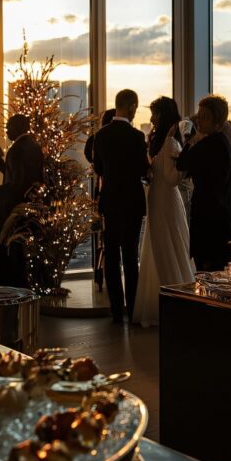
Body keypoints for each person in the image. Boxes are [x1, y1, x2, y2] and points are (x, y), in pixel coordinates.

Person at [132, 97, 194, 327]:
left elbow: (169, 180)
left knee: (161, 245)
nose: (151, 118)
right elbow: (173, 178)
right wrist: (184, 167)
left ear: (163, 115)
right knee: (167, 244)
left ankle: (168, 301)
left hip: (161, 199)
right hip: (163, 200)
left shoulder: (166, 143)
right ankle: (173, 301)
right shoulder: (169, 143)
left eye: (155, 113)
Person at [92, 90, 149, 323]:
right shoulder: (136, 137)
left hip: (110, 200)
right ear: (132, 106)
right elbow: (143, 170)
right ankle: (133, 308)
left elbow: (98, 168)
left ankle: (117, 311)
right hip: (132, 201)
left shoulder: (101, 135)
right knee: (130, 255)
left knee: (112, 255)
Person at [176, 95, 231, 272]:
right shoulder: (223, 143)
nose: (199, 119)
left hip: (211, 227)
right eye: (199, 115)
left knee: (208, 276)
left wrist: (190, 138)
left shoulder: (208, 145)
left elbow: (181, 163)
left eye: (204, 116)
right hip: (224, 223)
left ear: (217, 123)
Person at [0, 114, 45, 287]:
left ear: (17, 127)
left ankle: (4, 283)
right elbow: (14, 174)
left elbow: (15, 182)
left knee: (7, 247)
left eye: (9, 127)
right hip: (29, 205)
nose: (6, 130)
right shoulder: (34, 147)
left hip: (13, 208)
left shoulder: (16, 149)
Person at [85, 109, 116, 292]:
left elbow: (92, 160)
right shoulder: (112, 141)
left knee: (101, 238)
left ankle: (99, 276)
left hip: (101, 192)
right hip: (108, 192)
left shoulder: (97, 139)